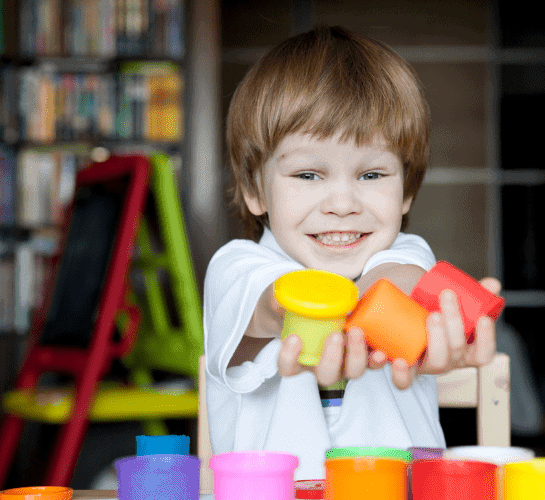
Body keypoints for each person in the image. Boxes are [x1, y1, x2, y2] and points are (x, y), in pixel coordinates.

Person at [203, 25, 500, 480]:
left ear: (406, 193)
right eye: (307, 175)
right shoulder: (237, 266)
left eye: (371, 175)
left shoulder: (407, 253)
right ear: (253, 191)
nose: (342, 205)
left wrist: (430, 311)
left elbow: (398, 278)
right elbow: (272, 303)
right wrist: (306, 313)